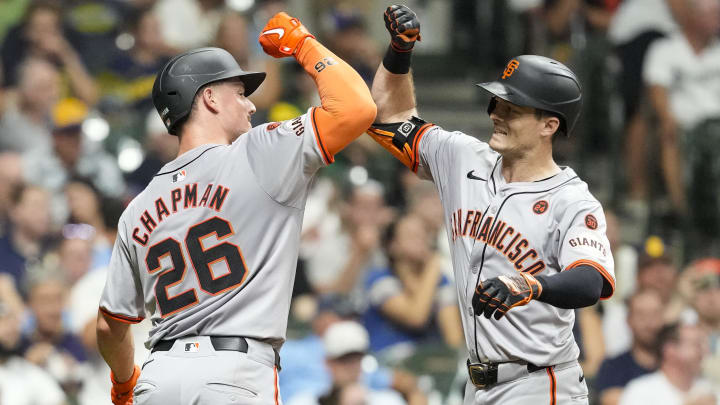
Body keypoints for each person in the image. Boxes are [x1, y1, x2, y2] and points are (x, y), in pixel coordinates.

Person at [95, 11, 376, 405]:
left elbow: (111, 327)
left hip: (159, 377)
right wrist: (303, 44)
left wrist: (124, 385)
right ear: (208, 97)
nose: (250, 105)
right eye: (239, 93)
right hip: (234, 373)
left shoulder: (137, 207)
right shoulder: (257, 153)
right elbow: (357, 109)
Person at [366, 5, 615, 404]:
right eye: (497, 102)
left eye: (512, 109)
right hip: (478, 384)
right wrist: (400, 50)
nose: (496, 113)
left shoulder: (570, 198)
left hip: (540, 383)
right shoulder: (462, 157)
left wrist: (531, 285)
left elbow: (590, 281)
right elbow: (388, 116)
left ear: (549, 125)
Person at [618, 323, 717, 405]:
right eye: (696, 345)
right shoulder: (640, 391)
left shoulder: (709, 389)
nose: (705, 351)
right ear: (670, 350)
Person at [595, 290, 664, 405]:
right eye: (642, 315)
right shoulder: (613, 367)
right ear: (628, 320)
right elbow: (610, 400)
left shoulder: (675, 362)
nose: (650, 323)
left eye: (655, 314)